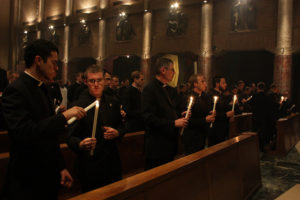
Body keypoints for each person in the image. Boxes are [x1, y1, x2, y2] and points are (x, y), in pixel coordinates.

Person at [1, 39, 86, 200]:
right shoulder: (15, 90)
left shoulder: (43, 88)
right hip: (26, 179)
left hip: (47, 176)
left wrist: (60, 167)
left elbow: (50, 137)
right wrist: (64, 116)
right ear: (38, 61)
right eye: (53, 63)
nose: (57, 67)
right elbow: (25, 133)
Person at [67, 65, 125, 192]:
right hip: (90, 164)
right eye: (92, 81)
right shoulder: (78, 106)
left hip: (112, 163)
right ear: (86, 82)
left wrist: (117, 133)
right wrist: (80, 144)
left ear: (104, 81)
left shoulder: (113, 102)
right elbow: (70, 137)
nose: (96, 84)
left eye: (99, 80)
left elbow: (121, 127)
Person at [141, 57, 188, 170]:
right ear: (163, 70)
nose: (174, 73)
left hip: (169, 143)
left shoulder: (170, 90)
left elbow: (171, 111)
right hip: (156, 145)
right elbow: (148, 118)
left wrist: (181, 115)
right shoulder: (150, 89)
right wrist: (173, 123)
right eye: (172, 69)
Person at [181, 74, 215, 155]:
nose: (205, 84)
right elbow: (187, 120)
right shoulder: (188, 97)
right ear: (195, 84)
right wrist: (205, 120)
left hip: (202, 135)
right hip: (192, 137)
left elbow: (205, 113)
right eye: (202, 81)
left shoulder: (204, 97)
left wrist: (211, 113)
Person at [250, 82, 278, 152]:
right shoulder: (267, 97)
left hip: (256, 117)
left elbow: (250, 105)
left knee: (256, 132)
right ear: (264, 88)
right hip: (264, 118)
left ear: (257, 88)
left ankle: (254, 147)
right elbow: (271, 107)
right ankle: (262, 147)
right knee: (263, 132)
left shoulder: (254, 96)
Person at [208, 76, 234, 146]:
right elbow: (212, 113)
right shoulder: (211, 95)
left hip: (223, 129)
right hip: (215, 131)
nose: (226, 84)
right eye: (223, 83)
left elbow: (225, 109)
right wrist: (226, 115)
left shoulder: (222, 95)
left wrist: (230, 115)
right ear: (217, 84)